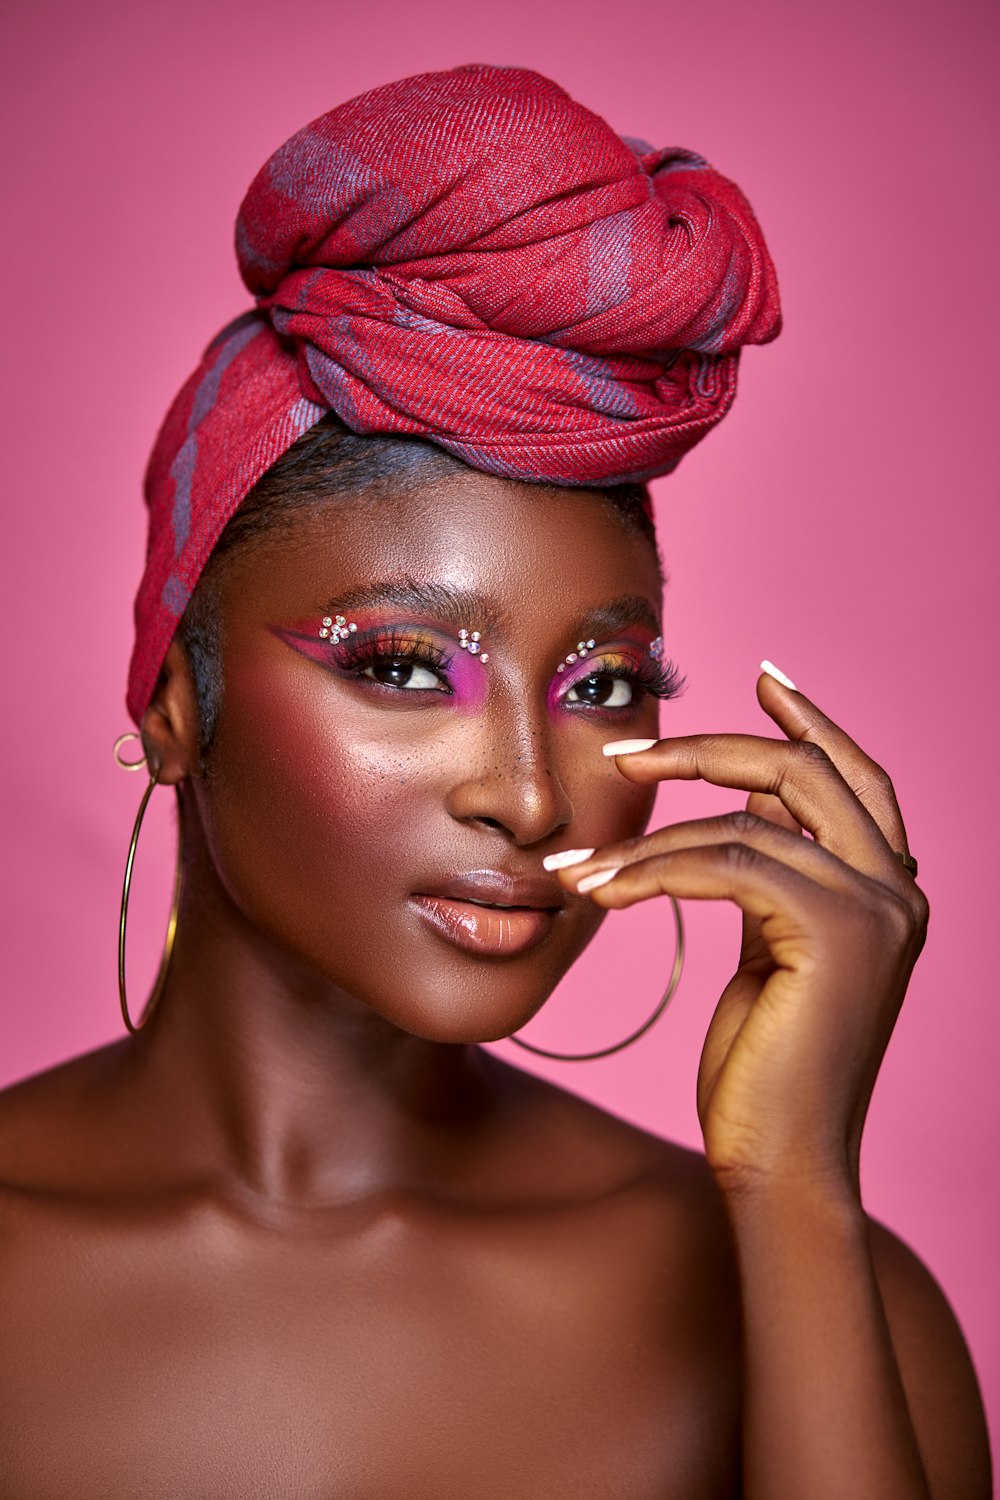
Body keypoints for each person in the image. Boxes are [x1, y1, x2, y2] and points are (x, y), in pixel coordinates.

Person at [0, 63, 990, 1498]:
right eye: (403, 668)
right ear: (171, 706)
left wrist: (791, 1197)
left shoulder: (831, 1294)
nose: (533, 799)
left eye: (603, 687)